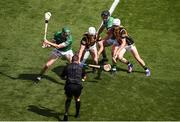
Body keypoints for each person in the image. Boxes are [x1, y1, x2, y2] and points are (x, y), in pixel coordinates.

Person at [61, 54, 85, 121]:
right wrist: (83, 79)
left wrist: (66, 78)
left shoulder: (67, 67)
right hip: (78, 86)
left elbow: (62, 76)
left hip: (69, 86)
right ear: (78, 60)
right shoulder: (81, 67)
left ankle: (66, 114)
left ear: (72, 60)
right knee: (77, 99)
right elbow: (84, 77)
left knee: (68, 99)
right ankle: (77, 114)